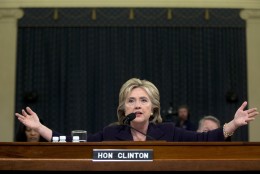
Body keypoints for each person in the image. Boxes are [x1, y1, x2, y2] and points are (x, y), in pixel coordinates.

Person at [15, 78, 259, 142]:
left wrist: (234, 124)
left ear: (153, 108)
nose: (137, 105)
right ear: (124, 108)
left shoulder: (168, 131)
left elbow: (206, 139)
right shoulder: (111, 134)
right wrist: (40, 128)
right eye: (131, 101)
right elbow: (72, 141)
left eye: (143, 100)